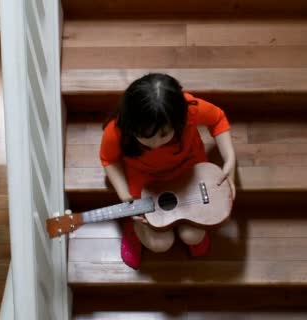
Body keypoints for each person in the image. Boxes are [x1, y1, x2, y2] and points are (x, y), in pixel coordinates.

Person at [100, 73, 236, 269]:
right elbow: (108, 159)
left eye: (164, 134)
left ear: (178, 120)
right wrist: (125, 195)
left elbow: (218, 119)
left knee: (192, 235)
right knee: (160, 244)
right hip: (146, 179)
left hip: (189, 171)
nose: (155, 144)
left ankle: (187, 222)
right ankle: (134, 229)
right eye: (145, 136)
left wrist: (229, 158)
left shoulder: (189, 110)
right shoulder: (117, 129)